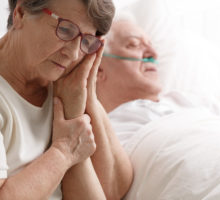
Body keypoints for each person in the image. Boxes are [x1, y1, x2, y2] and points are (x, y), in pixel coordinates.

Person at [97, 17, 220, 166]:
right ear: (98, 69)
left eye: (150, 45)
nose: (153, 53)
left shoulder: (193, 103)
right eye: (133, 44)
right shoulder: (102, 132)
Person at [0, 0, 133, 199]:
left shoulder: (66, 82)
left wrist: (85, 96)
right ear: (20, 13)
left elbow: (113, 189)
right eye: (66, 30)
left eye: (86, 41)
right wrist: (64, 152)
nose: (73, 54)